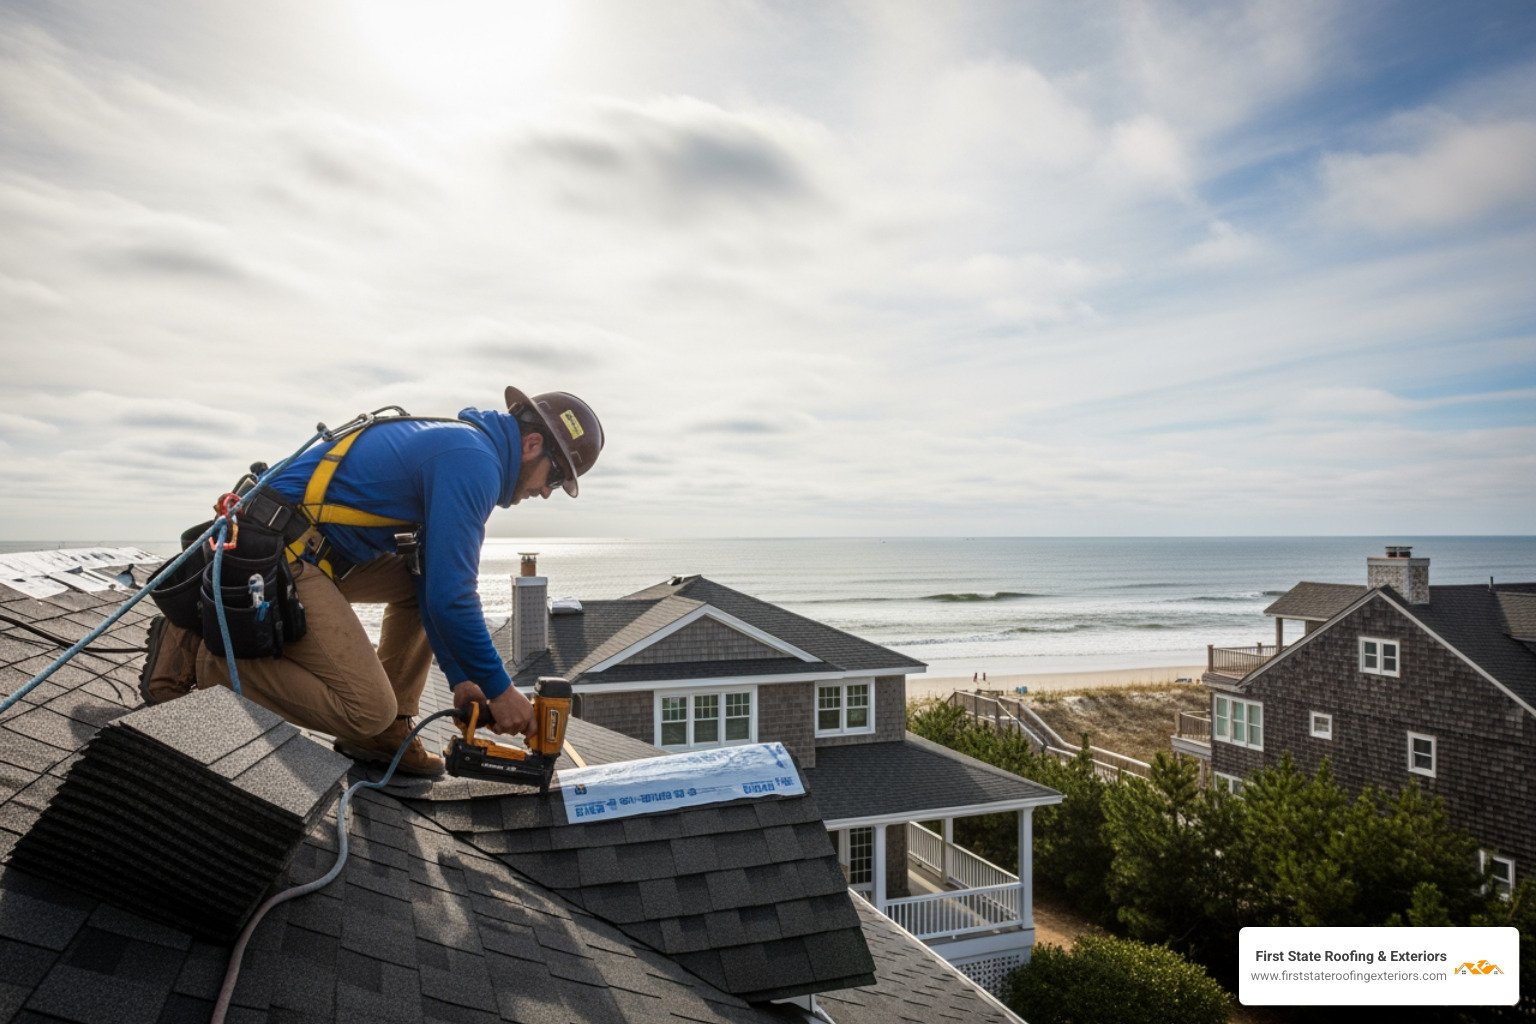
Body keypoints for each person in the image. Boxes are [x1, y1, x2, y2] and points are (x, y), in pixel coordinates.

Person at [139, 385, 603, 776]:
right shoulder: (472, 462)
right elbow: (453, 599)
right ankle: (203, 658)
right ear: (532, 445)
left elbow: (429, 581)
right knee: (362, 709)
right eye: (555, 478)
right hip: (281, 554)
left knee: (414, 571)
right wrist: (501, 691)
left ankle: (389, 733)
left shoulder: (463, 446)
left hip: (306, 547)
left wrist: (463, 678)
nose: (545, 491)